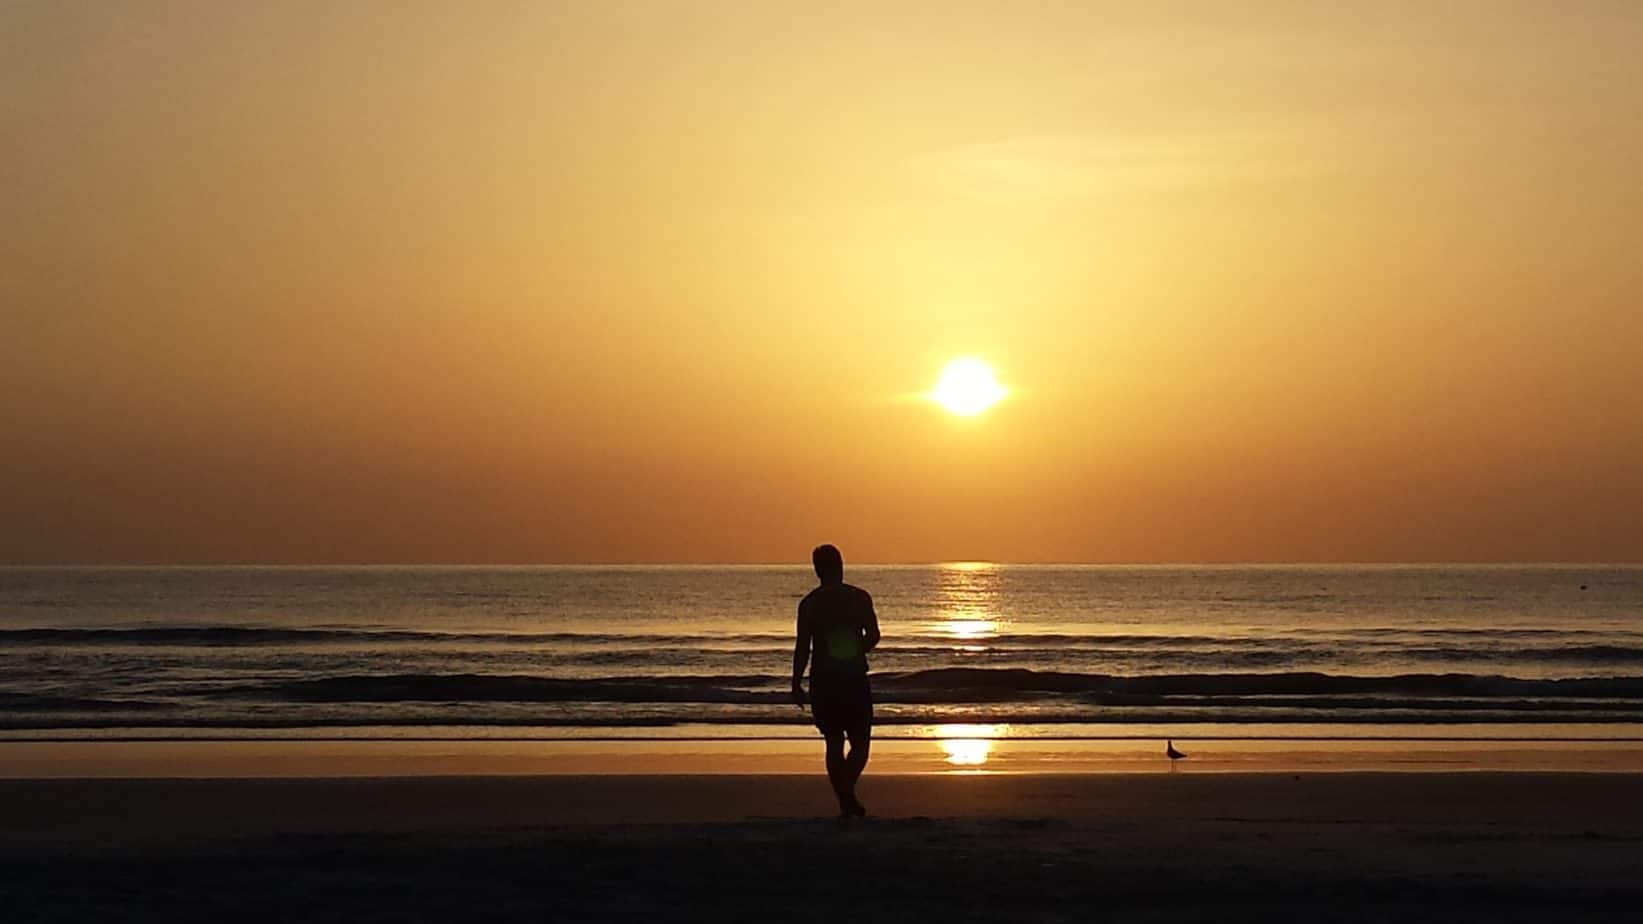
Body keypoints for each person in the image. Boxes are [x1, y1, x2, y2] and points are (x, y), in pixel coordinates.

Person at [791, 543, 881, 819]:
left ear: (817, 569)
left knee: (833, 741)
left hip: (823, 679)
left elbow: (803, 647)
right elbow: (874, 635)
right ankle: (847, 795)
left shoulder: (809, 604)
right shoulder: (858, 597)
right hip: (852, 678)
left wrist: (796, 682)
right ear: (840, 565)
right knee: (861, 742)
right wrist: (855, 649)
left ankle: (846, 797)